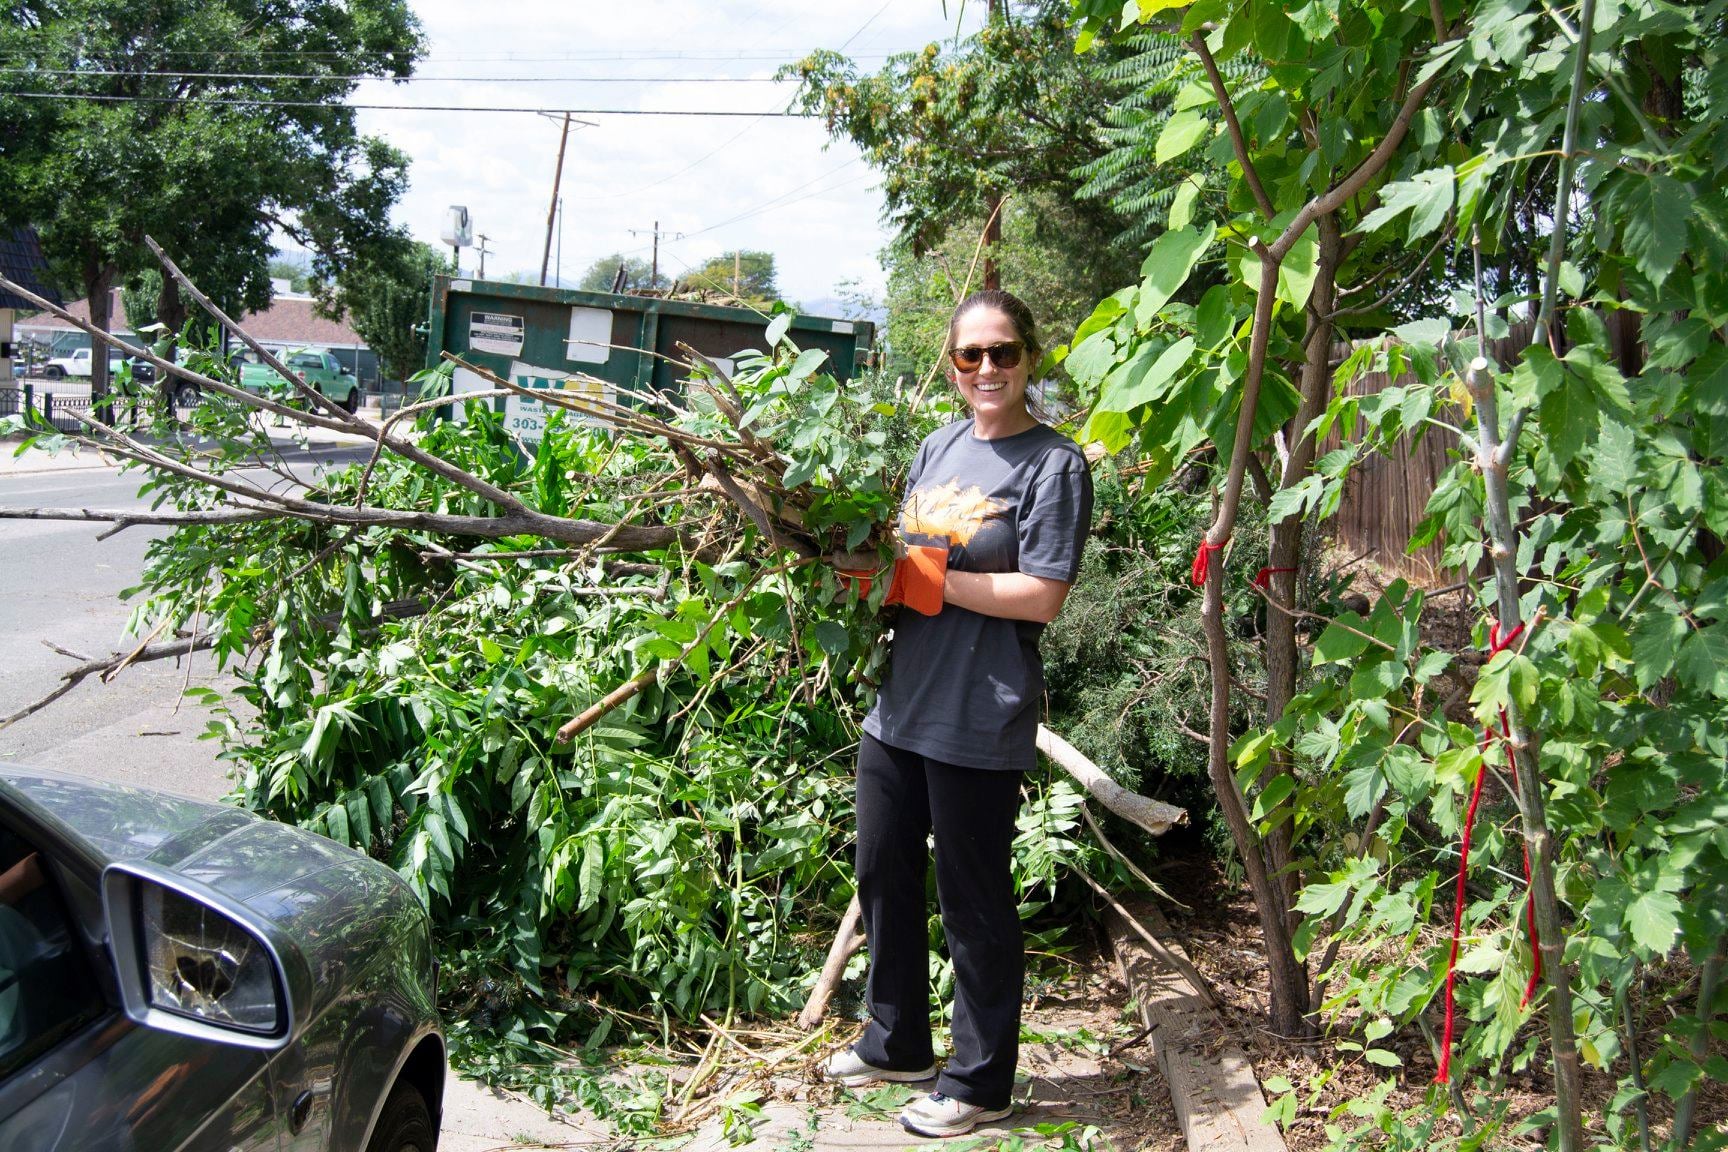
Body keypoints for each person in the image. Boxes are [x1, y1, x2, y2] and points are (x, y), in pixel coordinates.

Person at [824, 289, 1094, 1139]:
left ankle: (980, 1082)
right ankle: (896, 1038)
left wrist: (931, 585)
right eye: (970, 355)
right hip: (900, 703)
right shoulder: (938, 446)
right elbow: (900, 553)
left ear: (1029, 360)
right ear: (951, 365)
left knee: (973, 900)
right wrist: (862, 576)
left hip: (980, 710)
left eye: (1003, 353)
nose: (987, 369)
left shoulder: (1054, 465)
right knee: (882, 872)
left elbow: (1042, 594)